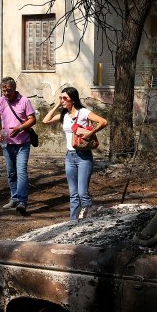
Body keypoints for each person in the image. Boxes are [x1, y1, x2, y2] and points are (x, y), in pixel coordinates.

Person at [43, 86, 108, 220]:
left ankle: (88, 220)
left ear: (73, 99)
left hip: (84, 156)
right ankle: (72, 223)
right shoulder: (64, 115)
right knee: (73, 194)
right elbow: (45, 121)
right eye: (60, 98)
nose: (62, 100)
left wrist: (91, 132)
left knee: (82, 193)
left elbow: (103, 121)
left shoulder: (83, 112)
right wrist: (57, 105)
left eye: (65, 98)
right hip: (70, 156)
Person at [0, 77, 36, 215]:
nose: (6, 94)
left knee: (21, 171)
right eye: (3, 91)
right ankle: (14, 198)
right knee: (11, 173)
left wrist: (20, 128)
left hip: (23, 143)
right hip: (7, 144)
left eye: (8, 91)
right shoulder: (0, 101)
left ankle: (22, 201)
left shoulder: (24, 101)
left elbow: (33, 119)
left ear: (14, 89)